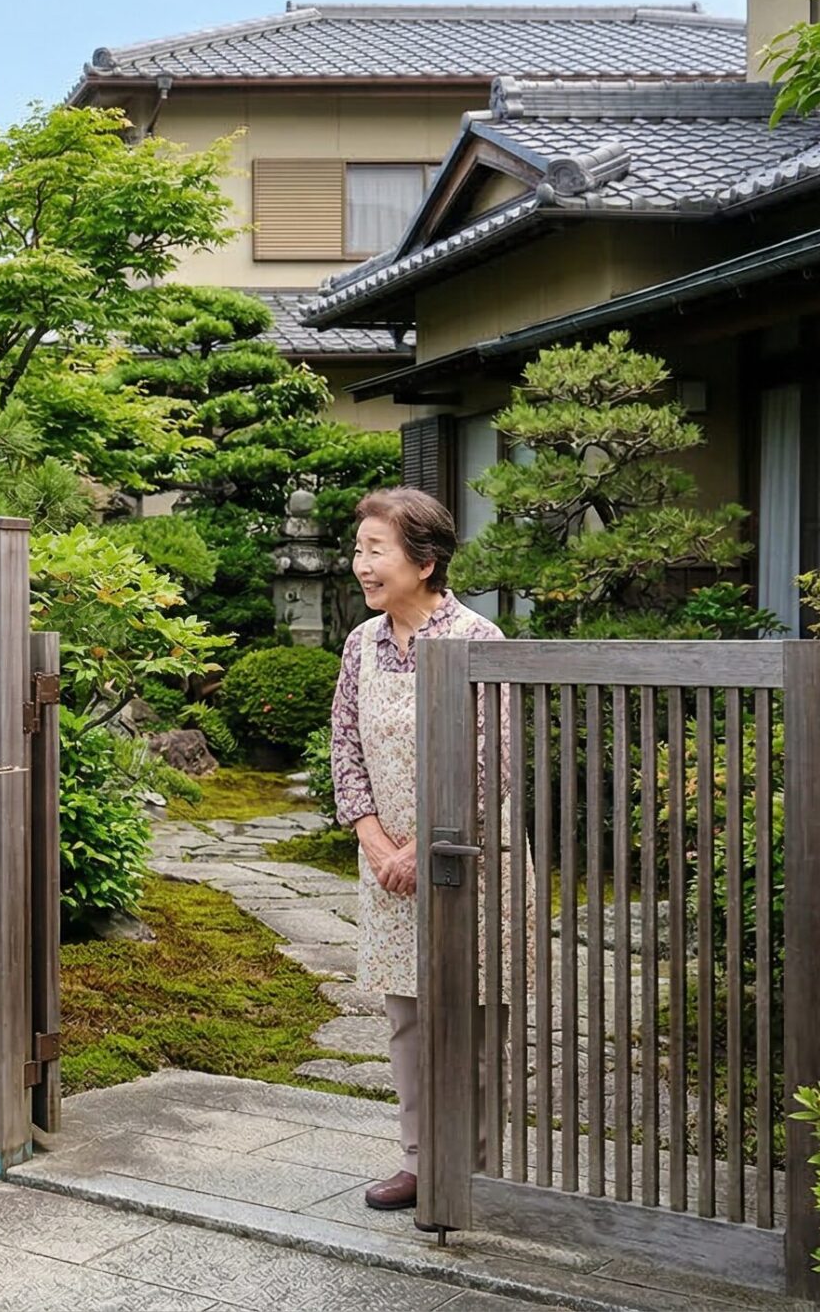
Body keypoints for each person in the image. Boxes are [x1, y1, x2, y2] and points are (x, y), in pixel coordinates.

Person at [328, 488, 505, 1212]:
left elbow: (491, 761)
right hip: (388, 868)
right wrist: (376, 842)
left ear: (424, 561)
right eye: (360, 549)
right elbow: (344, 745)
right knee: (407, 1015)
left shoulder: (476, 638)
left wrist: (422, 847)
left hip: (466, 859)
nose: (361, 564)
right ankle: (418, 1158)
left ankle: (477, 1167)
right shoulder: (360, 643)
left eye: (377, 550)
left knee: (473, 1014)